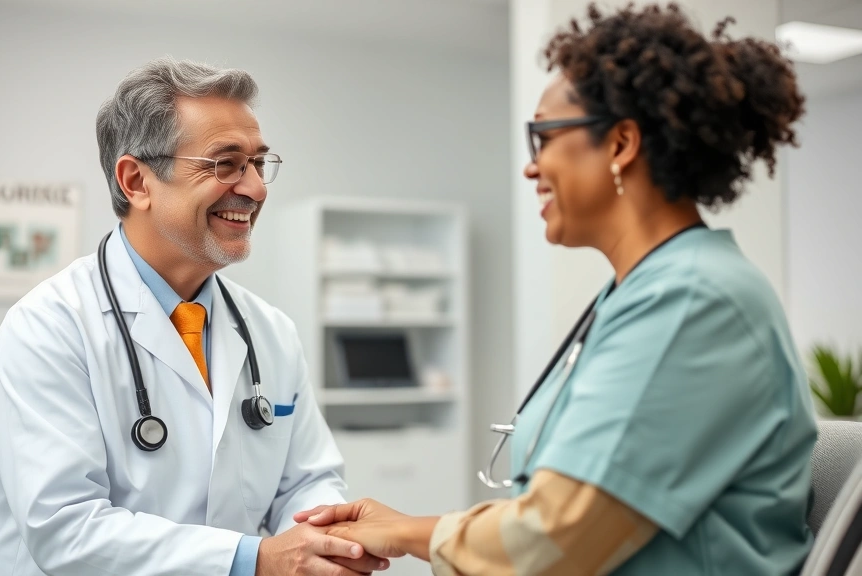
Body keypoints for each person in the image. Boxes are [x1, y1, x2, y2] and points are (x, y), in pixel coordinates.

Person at [297, 3, 816, 575]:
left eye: (542, 137)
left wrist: (405, 530)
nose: (531, 167)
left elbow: (552, 538)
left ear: (620, 144)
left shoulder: (690, 302)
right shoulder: (642, 292)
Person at [0, 57, 387, 576]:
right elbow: (66, 529)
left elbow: (306, 480)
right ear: (136, 181)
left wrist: (323, 542)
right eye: (226, 164)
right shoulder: (49, 327)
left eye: (259, 163)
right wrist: (254, 560)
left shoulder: (269, 332)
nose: (257, 189)